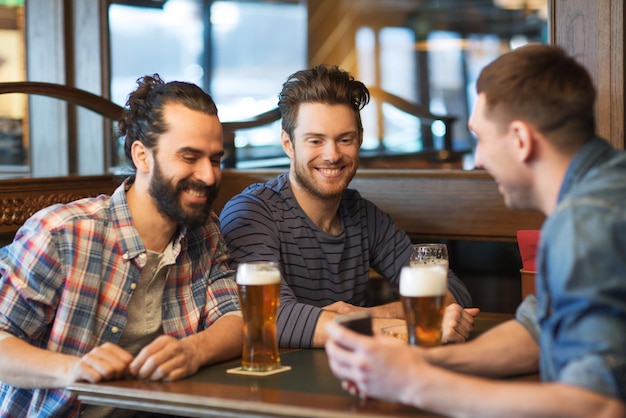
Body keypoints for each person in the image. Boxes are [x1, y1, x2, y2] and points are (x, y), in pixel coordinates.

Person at [325, 44, 626, 417]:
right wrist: (422, 363)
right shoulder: (605, 188)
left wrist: (412, 383)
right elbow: (537, 331)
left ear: (520, 140)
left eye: (481, 137)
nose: (479, 160)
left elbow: (597, 407)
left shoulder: (587, 221)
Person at [0, 74, 244, 417]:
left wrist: (193, 351)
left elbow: (235, 319)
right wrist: (71, 370)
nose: (208, 175)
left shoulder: (205, 230)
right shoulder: (62, 233)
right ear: (142, 156)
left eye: (215, 159)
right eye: (189, 157)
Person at [219, 64, 476, 349]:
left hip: (355, 375)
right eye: (315, 141)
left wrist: (368, 315)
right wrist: (418, 324)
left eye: (345, 140)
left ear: (359, 141)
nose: (332, 155)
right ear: (288, 145)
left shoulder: (364, 216)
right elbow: (269, 316)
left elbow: (452, 291)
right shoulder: (251, 213)